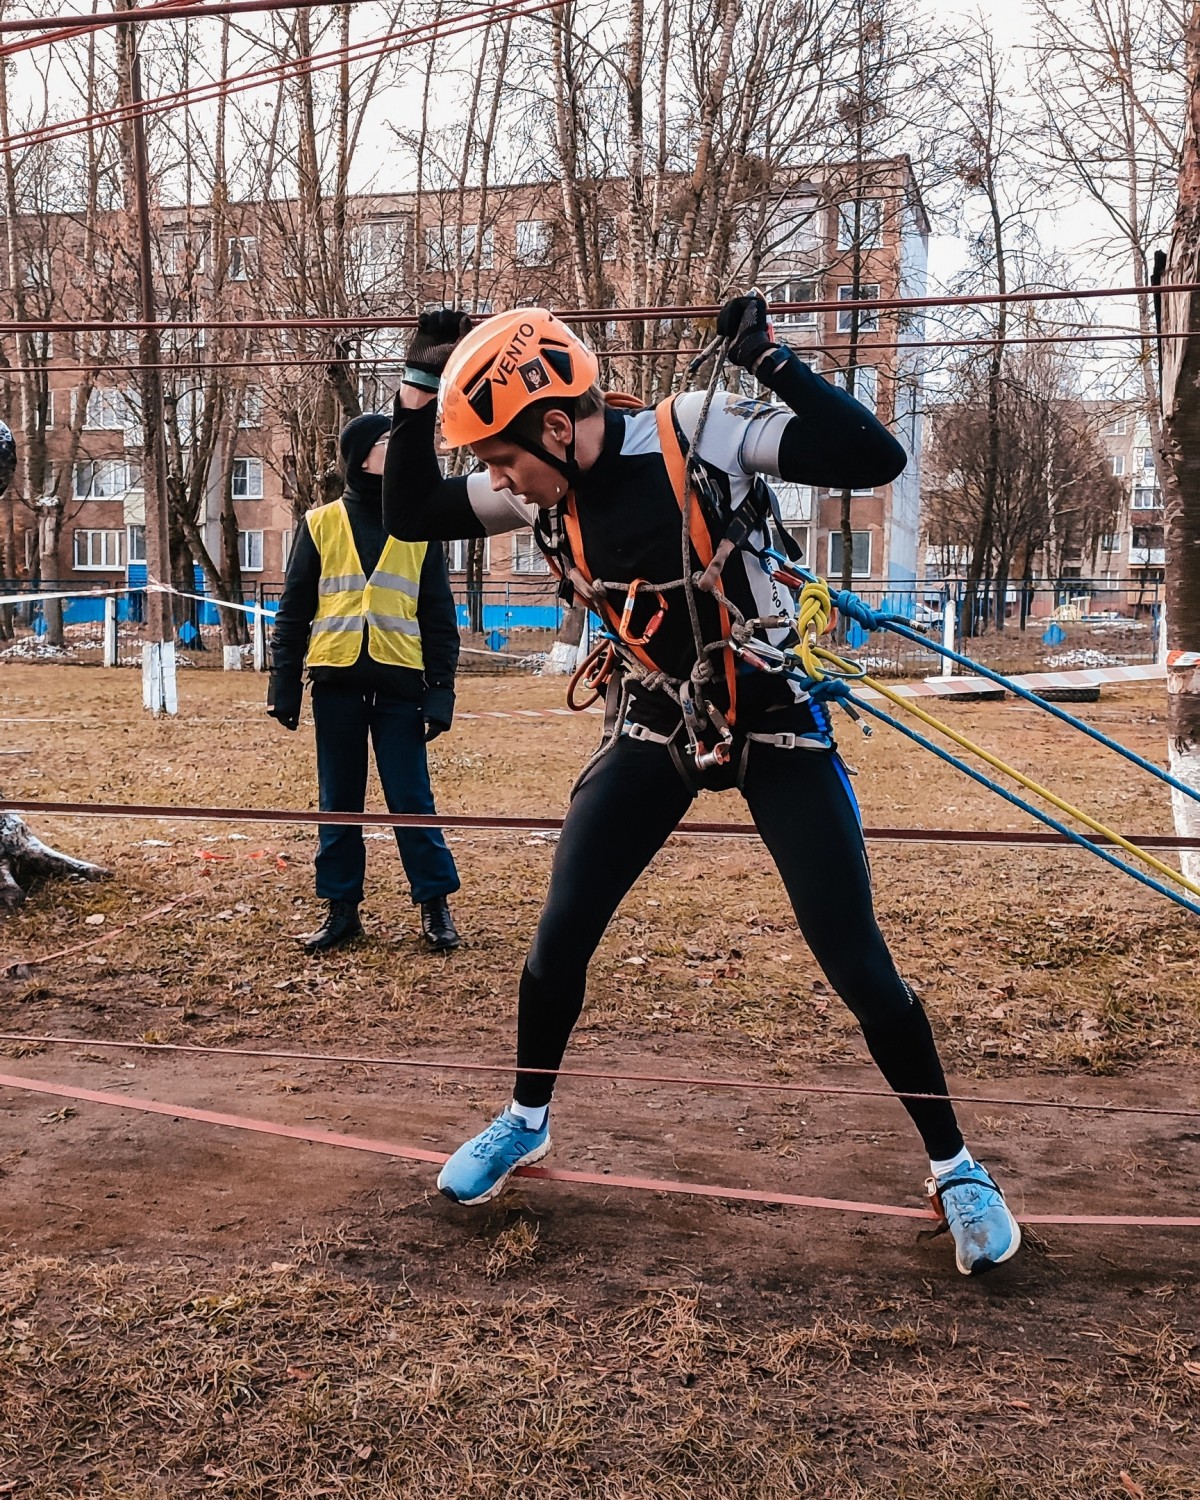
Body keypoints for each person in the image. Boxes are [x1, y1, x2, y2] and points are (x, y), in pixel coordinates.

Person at [382, 303, 1021, 1276]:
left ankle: (958, 1168)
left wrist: (770, 358)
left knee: (854, 956)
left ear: (556, 426)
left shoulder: (692, 432)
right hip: (657, 717)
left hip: (768, 710)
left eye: (503, 459)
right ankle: (526, 1119)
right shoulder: (542, 497)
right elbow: (411, 514)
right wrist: (421, 386)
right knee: (562, 928)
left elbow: (873, 457)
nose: (497, 484)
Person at [269, 412, 462, 953]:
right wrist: (283, 686)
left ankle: (435, 907)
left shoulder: (421, 524)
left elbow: (439, 617)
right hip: (336, 688)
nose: (398, 451)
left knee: (411, 802)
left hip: (402, 690)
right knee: (339, 802)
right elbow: (293, 611)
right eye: (387, 442)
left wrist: (441, 692)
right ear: (360, 456)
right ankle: (341, 911)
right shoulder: (320, 522)